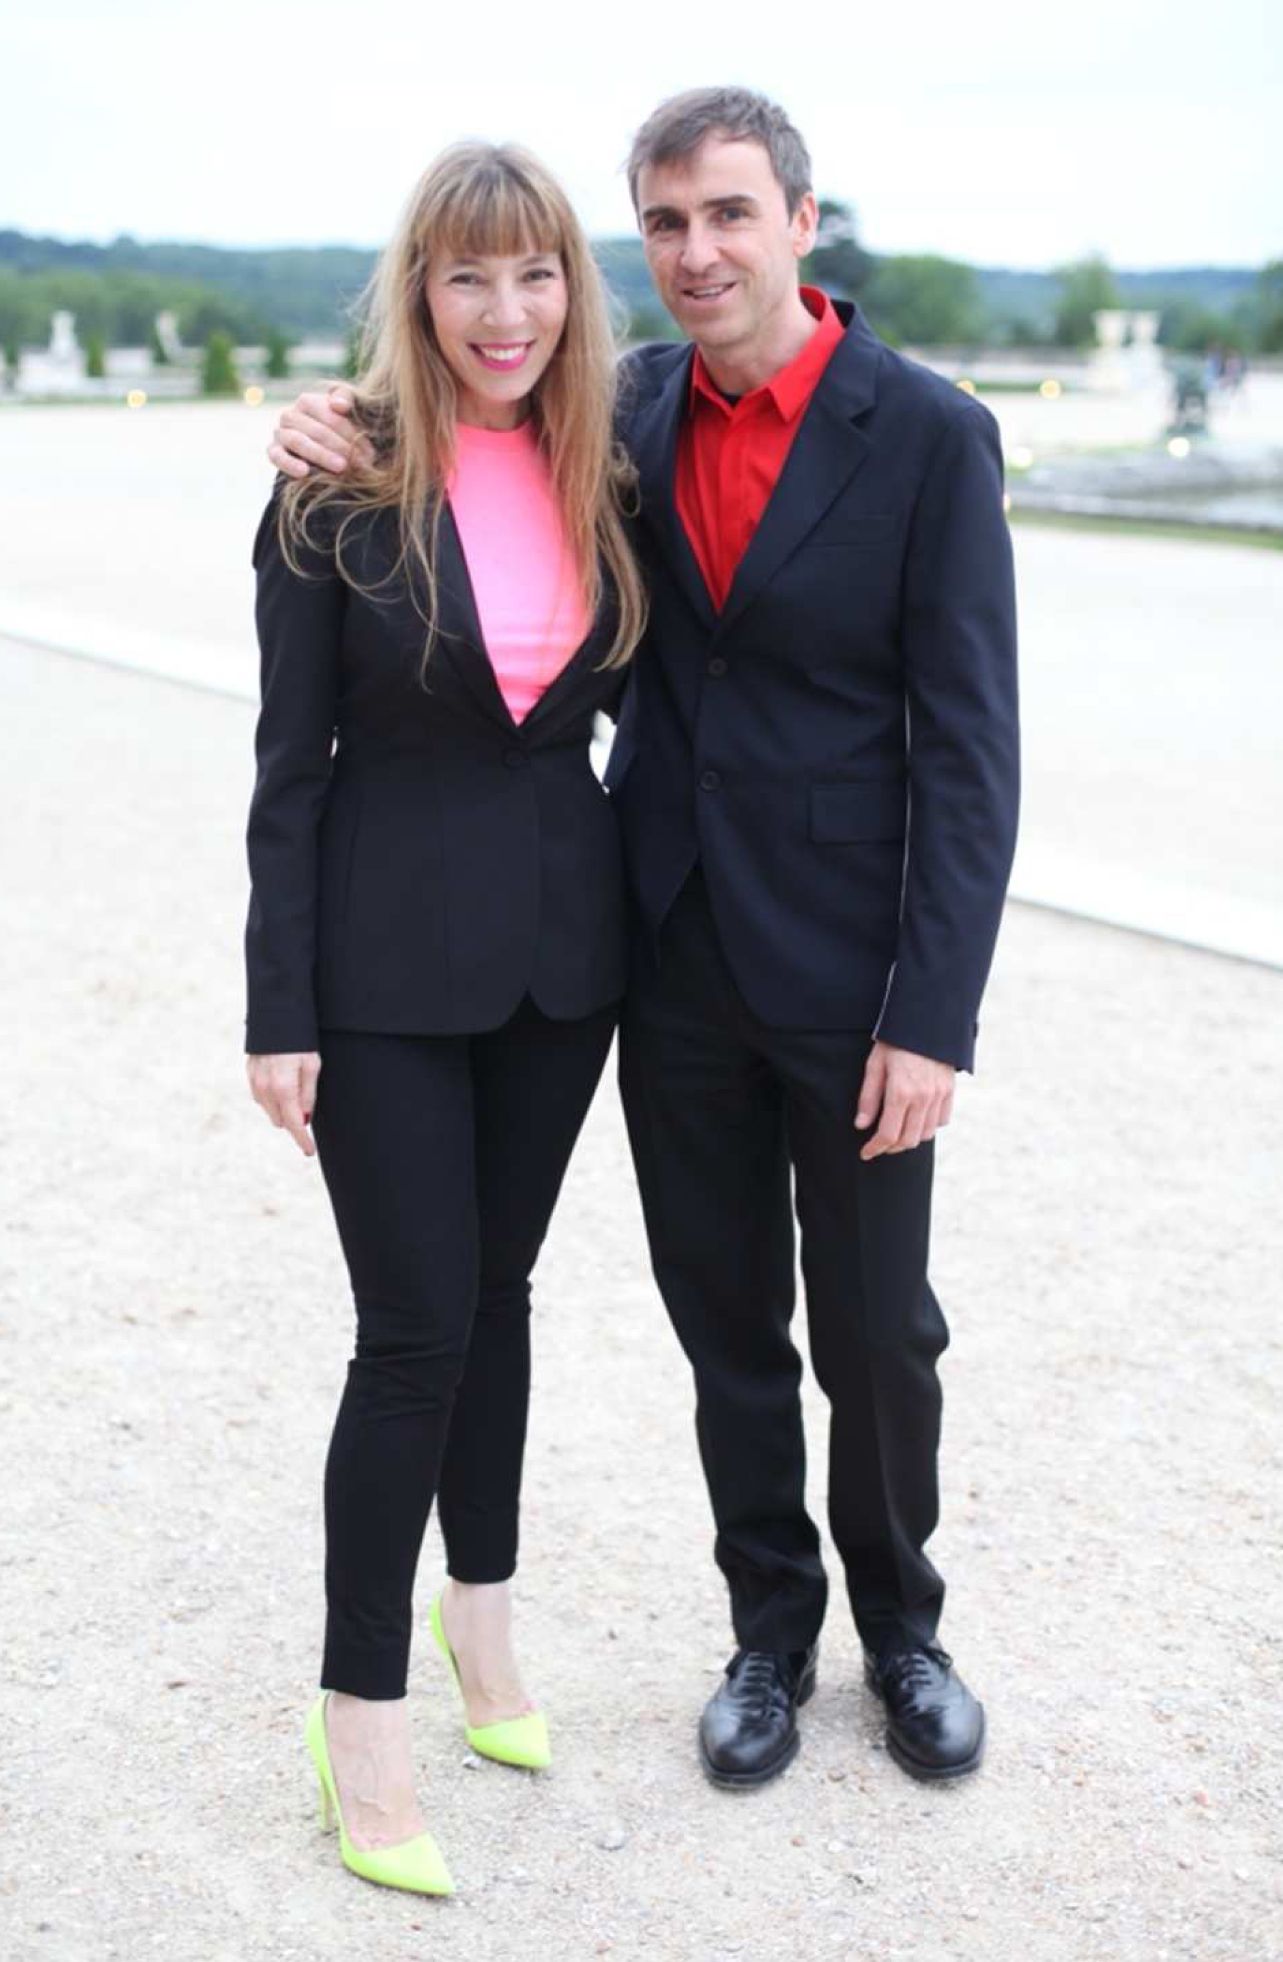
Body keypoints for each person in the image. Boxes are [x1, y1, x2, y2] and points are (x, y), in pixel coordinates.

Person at [270, 87, 1019, 1794]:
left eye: (730, 214)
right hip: (664, 950)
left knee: (881, 1328)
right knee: (723, 1316)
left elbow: (974, 748)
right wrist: (323, 416)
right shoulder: (629, 408)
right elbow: (461, 419)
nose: (697, 251)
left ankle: (904, 1629)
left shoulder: (930, 433)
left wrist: (936, 1009)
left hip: (855, 974)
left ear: (801, 223)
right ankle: (768, 1630)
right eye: (667, 222)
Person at [245, 140, 646, 1896]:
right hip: (384, 973)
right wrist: (278, 1006)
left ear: (573, 287)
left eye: (536, 271)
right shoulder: (333, 487)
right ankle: (361, 1711)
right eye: (469, 274)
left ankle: (480, 1615)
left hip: (567, 963)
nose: (505, 310)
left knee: (503, 1297)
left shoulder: (608, 464)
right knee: (413, 1330)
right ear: (420, 289)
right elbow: (288, 772)